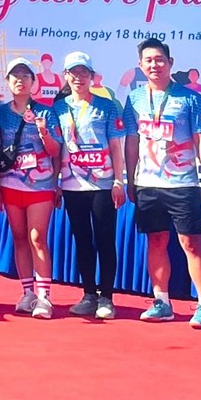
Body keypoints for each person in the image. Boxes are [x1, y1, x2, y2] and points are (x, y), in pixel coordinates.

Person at [124, 37, 201, 329]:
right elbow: (132, 141)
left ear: (170, 63)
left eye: (159, 59)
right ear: (141, 65)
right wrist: (131, 179)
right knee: (156, 240)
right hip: (148, 183)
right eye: (148, 60)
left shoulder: (191, 98)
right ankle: (161, 302)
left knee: (190, 243)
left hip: (183, 183)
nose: (154, 65)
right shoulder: (134, 99)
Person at [55, 51, 126, 320]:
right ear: (65, 76)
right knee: (82, 240)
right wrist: (56, 182)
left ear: (92, 76)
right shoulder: (58, 108)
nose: (79, 77)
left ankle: (106, 297)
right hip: (72, 183)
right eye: (73, 72)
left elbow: (116, 146)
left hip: (102, 183)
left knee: (105, 239)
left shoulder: (107, 106)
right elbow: (56, 148)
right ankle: (88, 294)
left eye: (84, 72)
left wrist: (118, 180)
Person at [0, 56, 65, 319]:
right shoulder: (0, 112)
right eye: (15, 76)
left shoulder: (46, 111)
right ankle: (27, 293)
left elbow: (55, 151)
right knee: (19, 237)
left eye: (25, 76)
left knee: (37, 237)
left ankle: (45, 297)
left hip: (41, 185)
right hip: (10, 183)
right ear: (8, 81)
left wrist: (44, 132)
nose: (20, 80)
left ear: (33, 81)